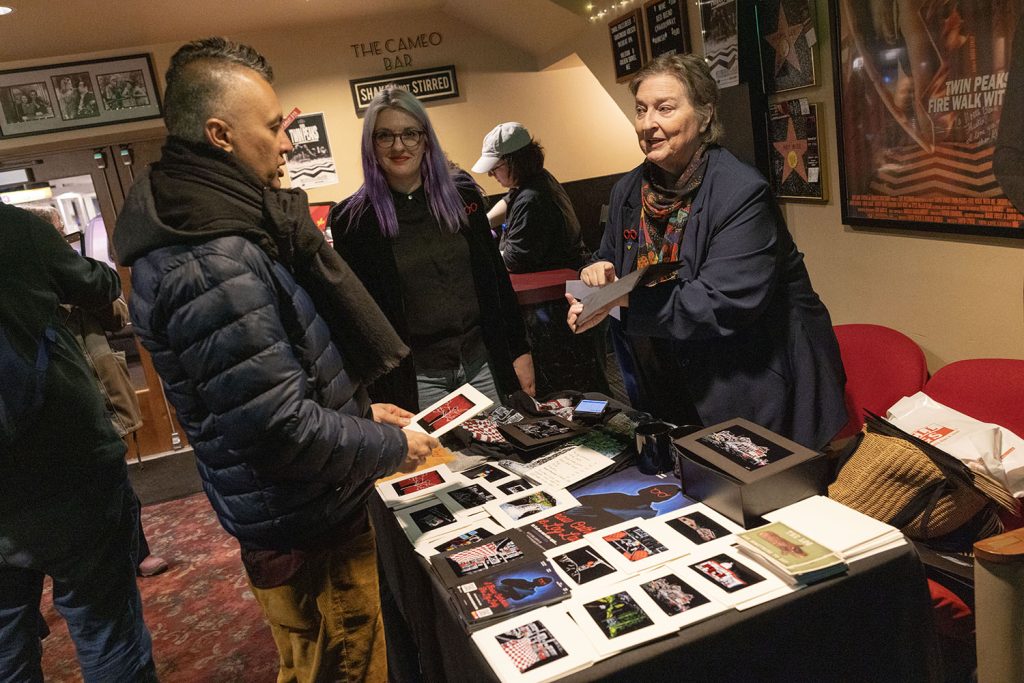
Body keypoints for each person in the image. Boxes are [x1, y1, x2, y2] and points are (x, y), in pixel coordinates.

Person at [112, 37, 437, 682]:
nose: (287, 143)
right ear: (220, 134)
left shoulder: (215, 225)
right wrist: (387, 446)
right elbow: (275, 426)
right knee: (343, 666)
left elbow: (271, 380)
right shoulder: (210, 259)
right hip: (304, 521)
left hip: (296, 506)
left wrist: (360, 408)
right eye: (271, 127)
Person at [567, 53, 846, 451]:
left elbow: (721, 301)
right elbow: (607, 260)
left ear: (704, 115)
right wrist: (593, 280)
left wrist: (614, 296)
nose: (649, 124)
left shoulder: (741, 192)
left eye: (665, 108)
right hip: (667, 374)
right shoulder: (629, 189)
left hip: (752, 381)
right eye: (641, 110)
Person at [0, 203, 157, 682]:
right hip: (65, 465)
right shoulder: (15, 230)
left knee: (5, 644)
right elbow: (102, 285)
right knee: (104, 624)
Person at [331, 86, 535, 412]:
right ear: (371, 144)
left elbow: (496, 280)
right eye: (385, 136)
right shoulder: (354, 220)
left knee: (501, 455)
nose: (399, 145)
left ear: (426, 138)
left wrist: (519, 351)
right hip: (416, 379)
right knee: (438, 462)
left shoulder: (462, 194)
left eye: (410, 133)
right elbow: (356, 320)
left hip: (482, 363)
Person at [23, 205, 170, 578]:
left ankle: (136, 554)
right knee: (81, 492)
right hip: (65, 403)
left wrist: (87, 291)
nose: (66, 241)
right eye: (58, 233)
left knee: (119, 481)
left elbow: (118, 316)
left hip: (104, 388)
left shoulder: (80, 277)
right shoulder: (26, 287)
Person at [471, 122, 587, 274]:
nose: (490, 174)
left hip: (559, 283)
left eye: (494, 168)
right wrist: (485, 222)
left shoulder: (532, 200)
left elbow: (513, 262)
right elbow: (508, 201)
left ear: (515, 161)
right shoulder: (538, 179)